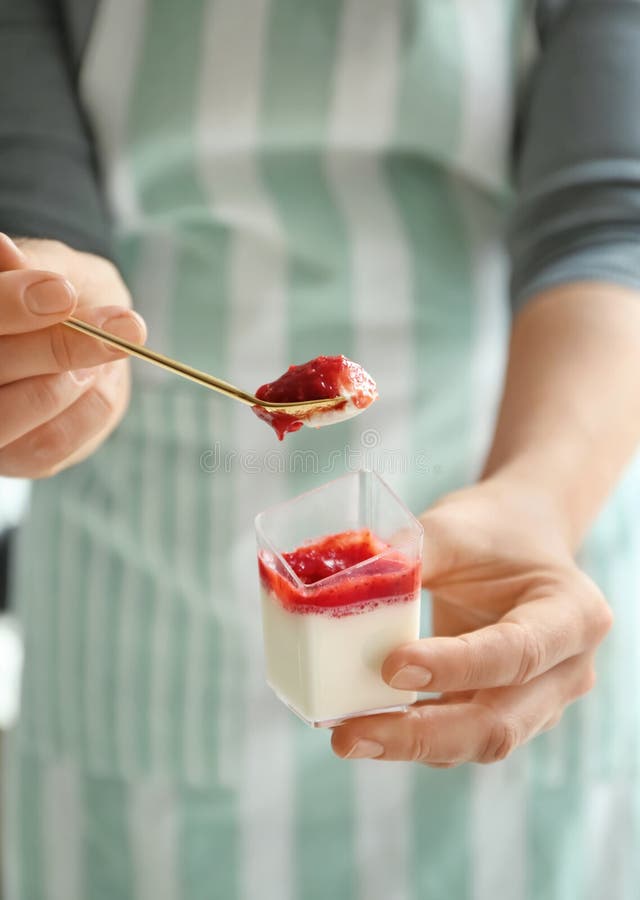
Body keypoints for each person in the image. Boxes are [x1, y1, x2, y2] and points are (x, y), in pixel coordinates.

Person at [1, 0, 640, 897]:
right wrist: (56, 340)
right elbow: (33, 188)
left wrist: (539, 499)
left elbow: (610, 218)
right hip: (144, 598)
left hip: (502, 530)